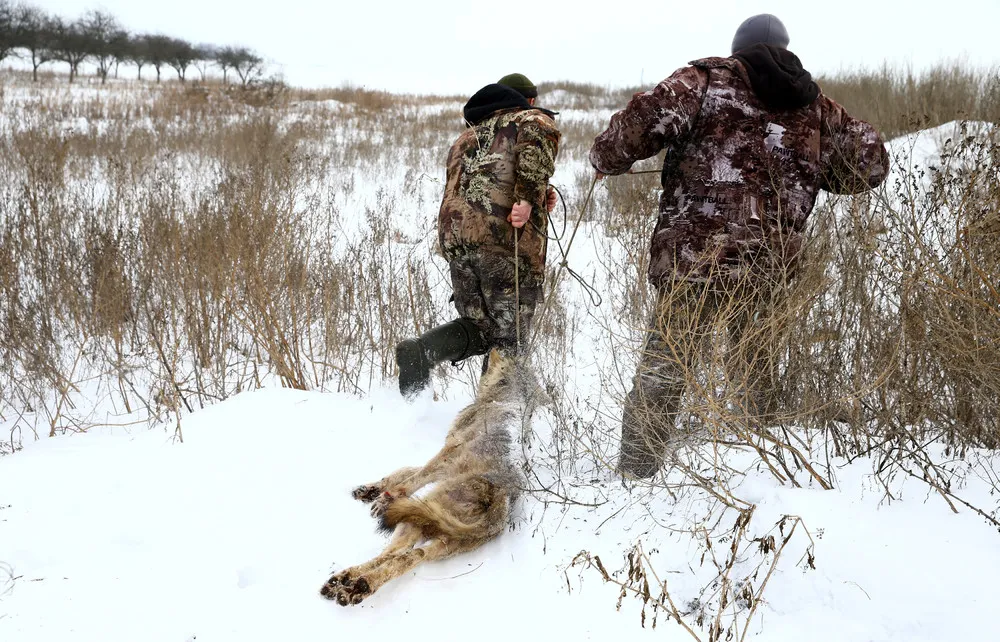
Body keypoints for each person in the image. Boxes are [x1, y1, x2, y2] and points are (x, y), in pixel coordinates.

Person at [589, 14, 890, 478]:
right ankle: (764, 470)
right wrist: (808, 166)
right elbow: (869, 165)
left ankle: (636, 471)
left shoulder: (703, 81)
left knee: (666, 365)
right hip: (769, 264)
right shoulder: (817, 107)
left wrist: (605, 158)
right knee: (757, 365)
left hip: (695, 260)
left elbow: (638, 124)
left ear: (737, 48)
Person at [396, 81, 561, 397]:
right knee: (511, 336)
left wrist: (540, 194)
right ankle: (498, 417)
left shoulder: (467, 137)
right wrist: (528, 198)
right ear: (524, 101)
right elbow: (537, 140)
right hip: (504, 243)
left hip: (457, 241)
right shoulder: (530, 119)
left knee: (481, 328)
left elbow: (486, 182)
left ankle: (422, 351)